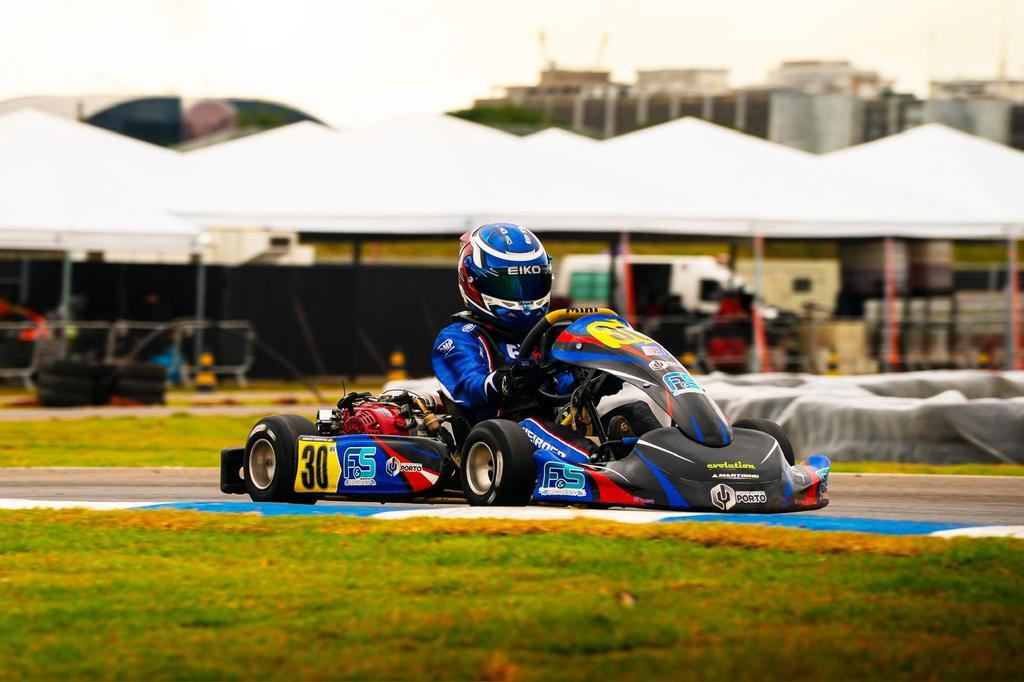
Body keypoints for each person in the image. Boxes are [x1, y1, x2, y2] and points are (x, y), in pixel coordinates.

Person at [431, 223, 660, 458]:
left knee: (636, 411)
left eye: (531, 284)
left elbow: (560, 389)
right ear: (473, 281)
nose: (524, 296)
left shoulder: (543, 334)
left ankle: (679, 462)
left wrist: (594, 380)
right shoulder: (458, 337)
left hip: (554, 433)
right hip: (497, 443)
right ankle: (600, 464)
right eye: (510, 285)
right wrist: (507, 381)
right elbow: (470, 388)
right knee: (531, 426)